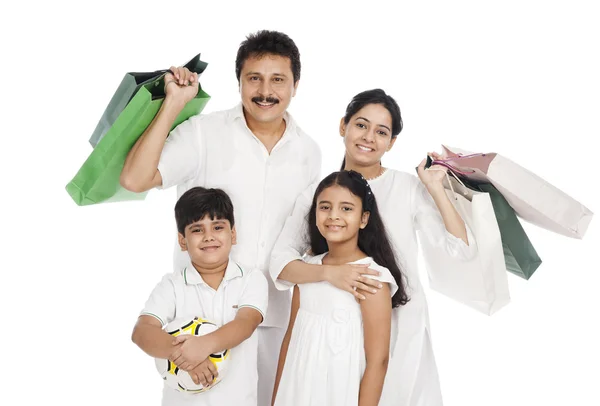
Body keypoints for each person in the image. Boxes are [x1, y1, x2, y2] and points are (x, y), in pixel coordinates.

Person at [120, 30, 321, 405]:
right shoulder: (203, 133)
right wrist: (174, 105)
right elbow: (134, 180)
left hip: (274, 315)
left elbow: (306, 240)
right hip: (198, 318)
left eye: (278, 79)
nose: (265, 90)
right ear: (239, 82)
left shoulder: (309, 152)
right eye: (253, 78)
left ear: (296, 84)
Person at [270, 89, 478, 405]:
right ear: (343, 126)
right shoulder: (319, 193)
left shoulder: (407, 188)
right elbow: (281, 263)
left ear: (391, 142)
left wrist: (434, 188)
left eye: (381, 132)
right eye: (361, 125)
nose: (369, 137)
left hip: (400, 327)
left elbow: (462, 249)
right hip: (336, 331)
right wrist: (333, 274)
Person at [272, 170, 409, 406]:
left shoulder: (370, 276)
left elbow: (378, 361)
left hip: (337, 391)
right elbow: (289, 340)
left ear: (364, 218)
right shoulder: (307, 270)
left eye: (346, 208)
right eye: (324, 207)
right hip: (296, 390)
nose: (334, 215)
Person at [132, 187, 268, 405]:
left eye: (218, 227)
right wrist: (186, 357)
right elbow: (142, 332)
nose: (208, 237)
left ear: (233, 234)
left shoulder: (251, 279)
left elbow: (246, 323)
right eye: (197, 230)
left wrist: (205, 345)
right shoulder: (172, 285)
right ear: (183, 241)